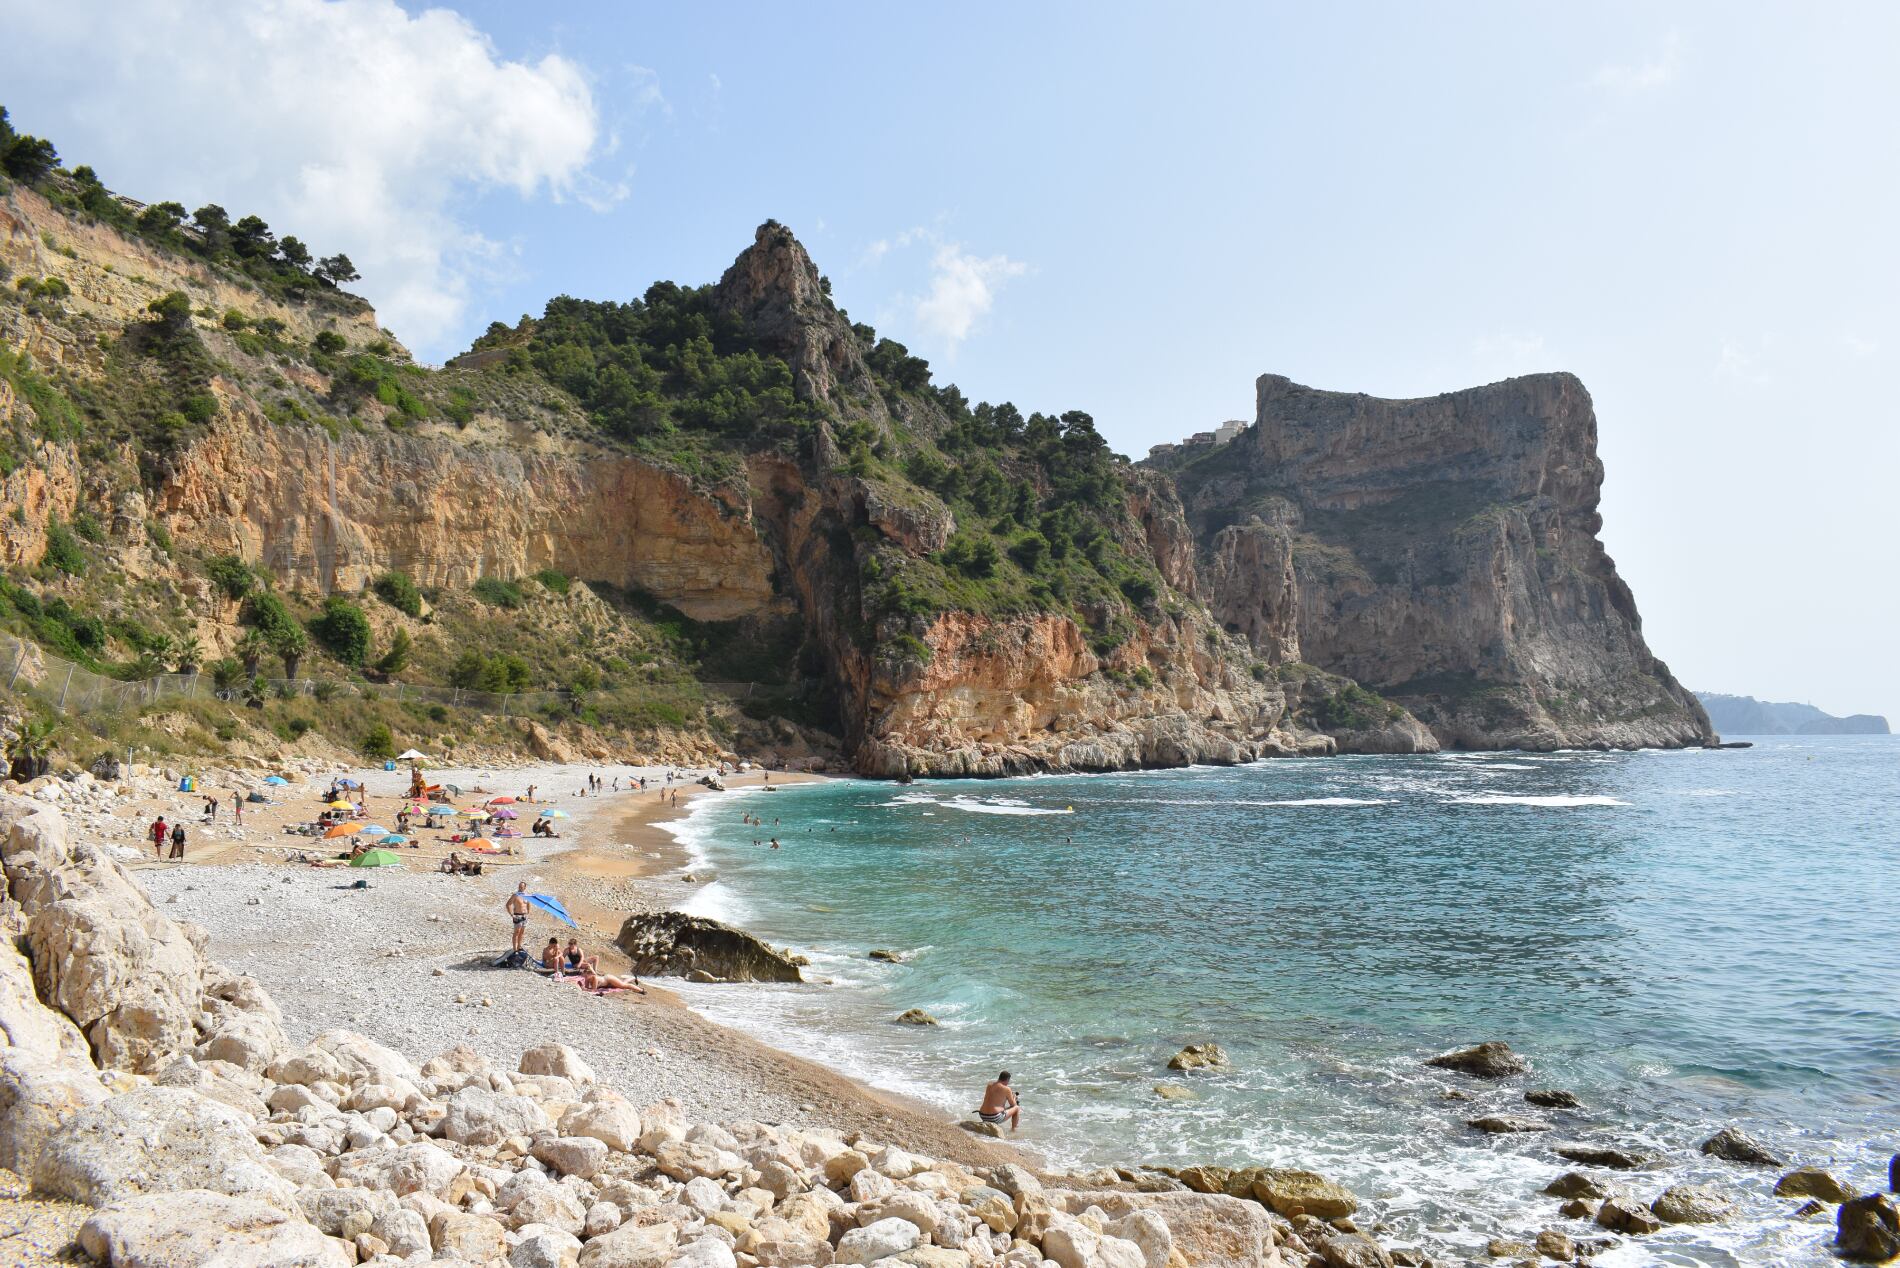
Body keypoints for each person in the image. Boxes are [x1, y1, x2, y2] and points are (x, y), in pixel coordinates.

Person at [506, 882, 530, 952]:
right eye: (519, 887)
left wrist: (528, 913)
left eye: (522, 887)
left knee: (522, 932)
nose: (520, 888)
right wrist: (512, 915)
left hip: (524, 916)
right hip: (517, 915)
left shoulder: (526, 895)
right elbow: (508, 904)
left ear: (525, 888)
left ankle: (519, 946)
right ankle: (514, 948)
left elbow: (528, 904)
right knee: (516, 932)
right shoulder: (515, 895)